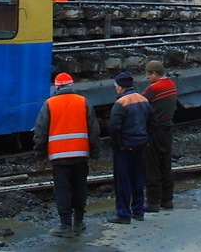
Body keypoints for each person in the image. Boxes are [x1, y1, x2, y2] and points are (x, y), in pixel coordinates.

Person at [33, 72, 101, 238]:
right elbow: (94, 131)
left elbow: (40, 132)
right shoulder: (82, 102)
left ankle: (65, 226)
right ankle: (78, 223)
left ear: (56, 87)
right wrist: (95, 155)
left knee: (62, 191)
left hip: (59, 157)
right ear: (71, 85)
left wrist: (39, 156)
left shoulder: (49, 104)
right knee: (80, 188)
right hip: (80, 155)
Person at [108, 70, 155, 224]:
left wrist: (118, 145)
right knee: (138, 178)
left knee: (123, 180)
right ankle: (139, 210)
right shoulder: (143, 99)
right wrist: (146, 139)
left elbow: (115, 128)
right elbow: (152, 122)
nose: (115, 88)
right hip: (140, 145)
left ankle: (123, 214)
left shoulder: (120, 103)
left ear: (121, 87)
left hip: (125, 147)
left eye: (116, 85)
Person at [141, 60, 177, 212]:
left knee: (152, 165)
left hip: (155, 130)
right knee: (165, 164)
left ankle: (153, 202)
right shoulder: (172, 85)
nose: (147, 78)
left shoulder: (153, 89)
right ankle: (167, 200)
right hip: (168, 128)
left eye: (148, 75)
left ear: (154, 74)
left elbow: (141, 103)